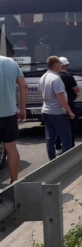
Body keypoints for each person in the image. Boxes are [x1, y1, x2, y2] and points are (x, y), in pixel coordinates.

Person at [38, 56, 75, 160]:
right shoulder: (56, 79)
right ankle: (66, 162)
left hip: (46, 110)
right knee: (66, 138)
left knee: (50, 138)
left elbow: (41, 95)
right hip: (57, 112)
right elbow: (60, 97)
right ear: (55, 65)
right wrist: (69, 111)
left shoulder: (43, 77)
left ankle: (52, 161)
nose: (61, 66)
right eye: (60, 64)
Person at [0, 56, 27, 184]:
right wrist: (22, 109)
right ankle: (14, 182)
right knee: (11, 148)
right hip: (8, 114)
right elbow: (24, 85)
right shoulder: (10, 62)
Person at [55, 57, 79, 154]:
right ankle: (71, 145)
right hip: (69, 103)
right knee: (71, 126)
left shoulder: (53, 76)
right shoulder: (68, 77)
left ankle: (57, 147)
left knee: (58, 126)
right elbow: (76, 90)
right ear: (66, 66)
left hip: (56, 104)